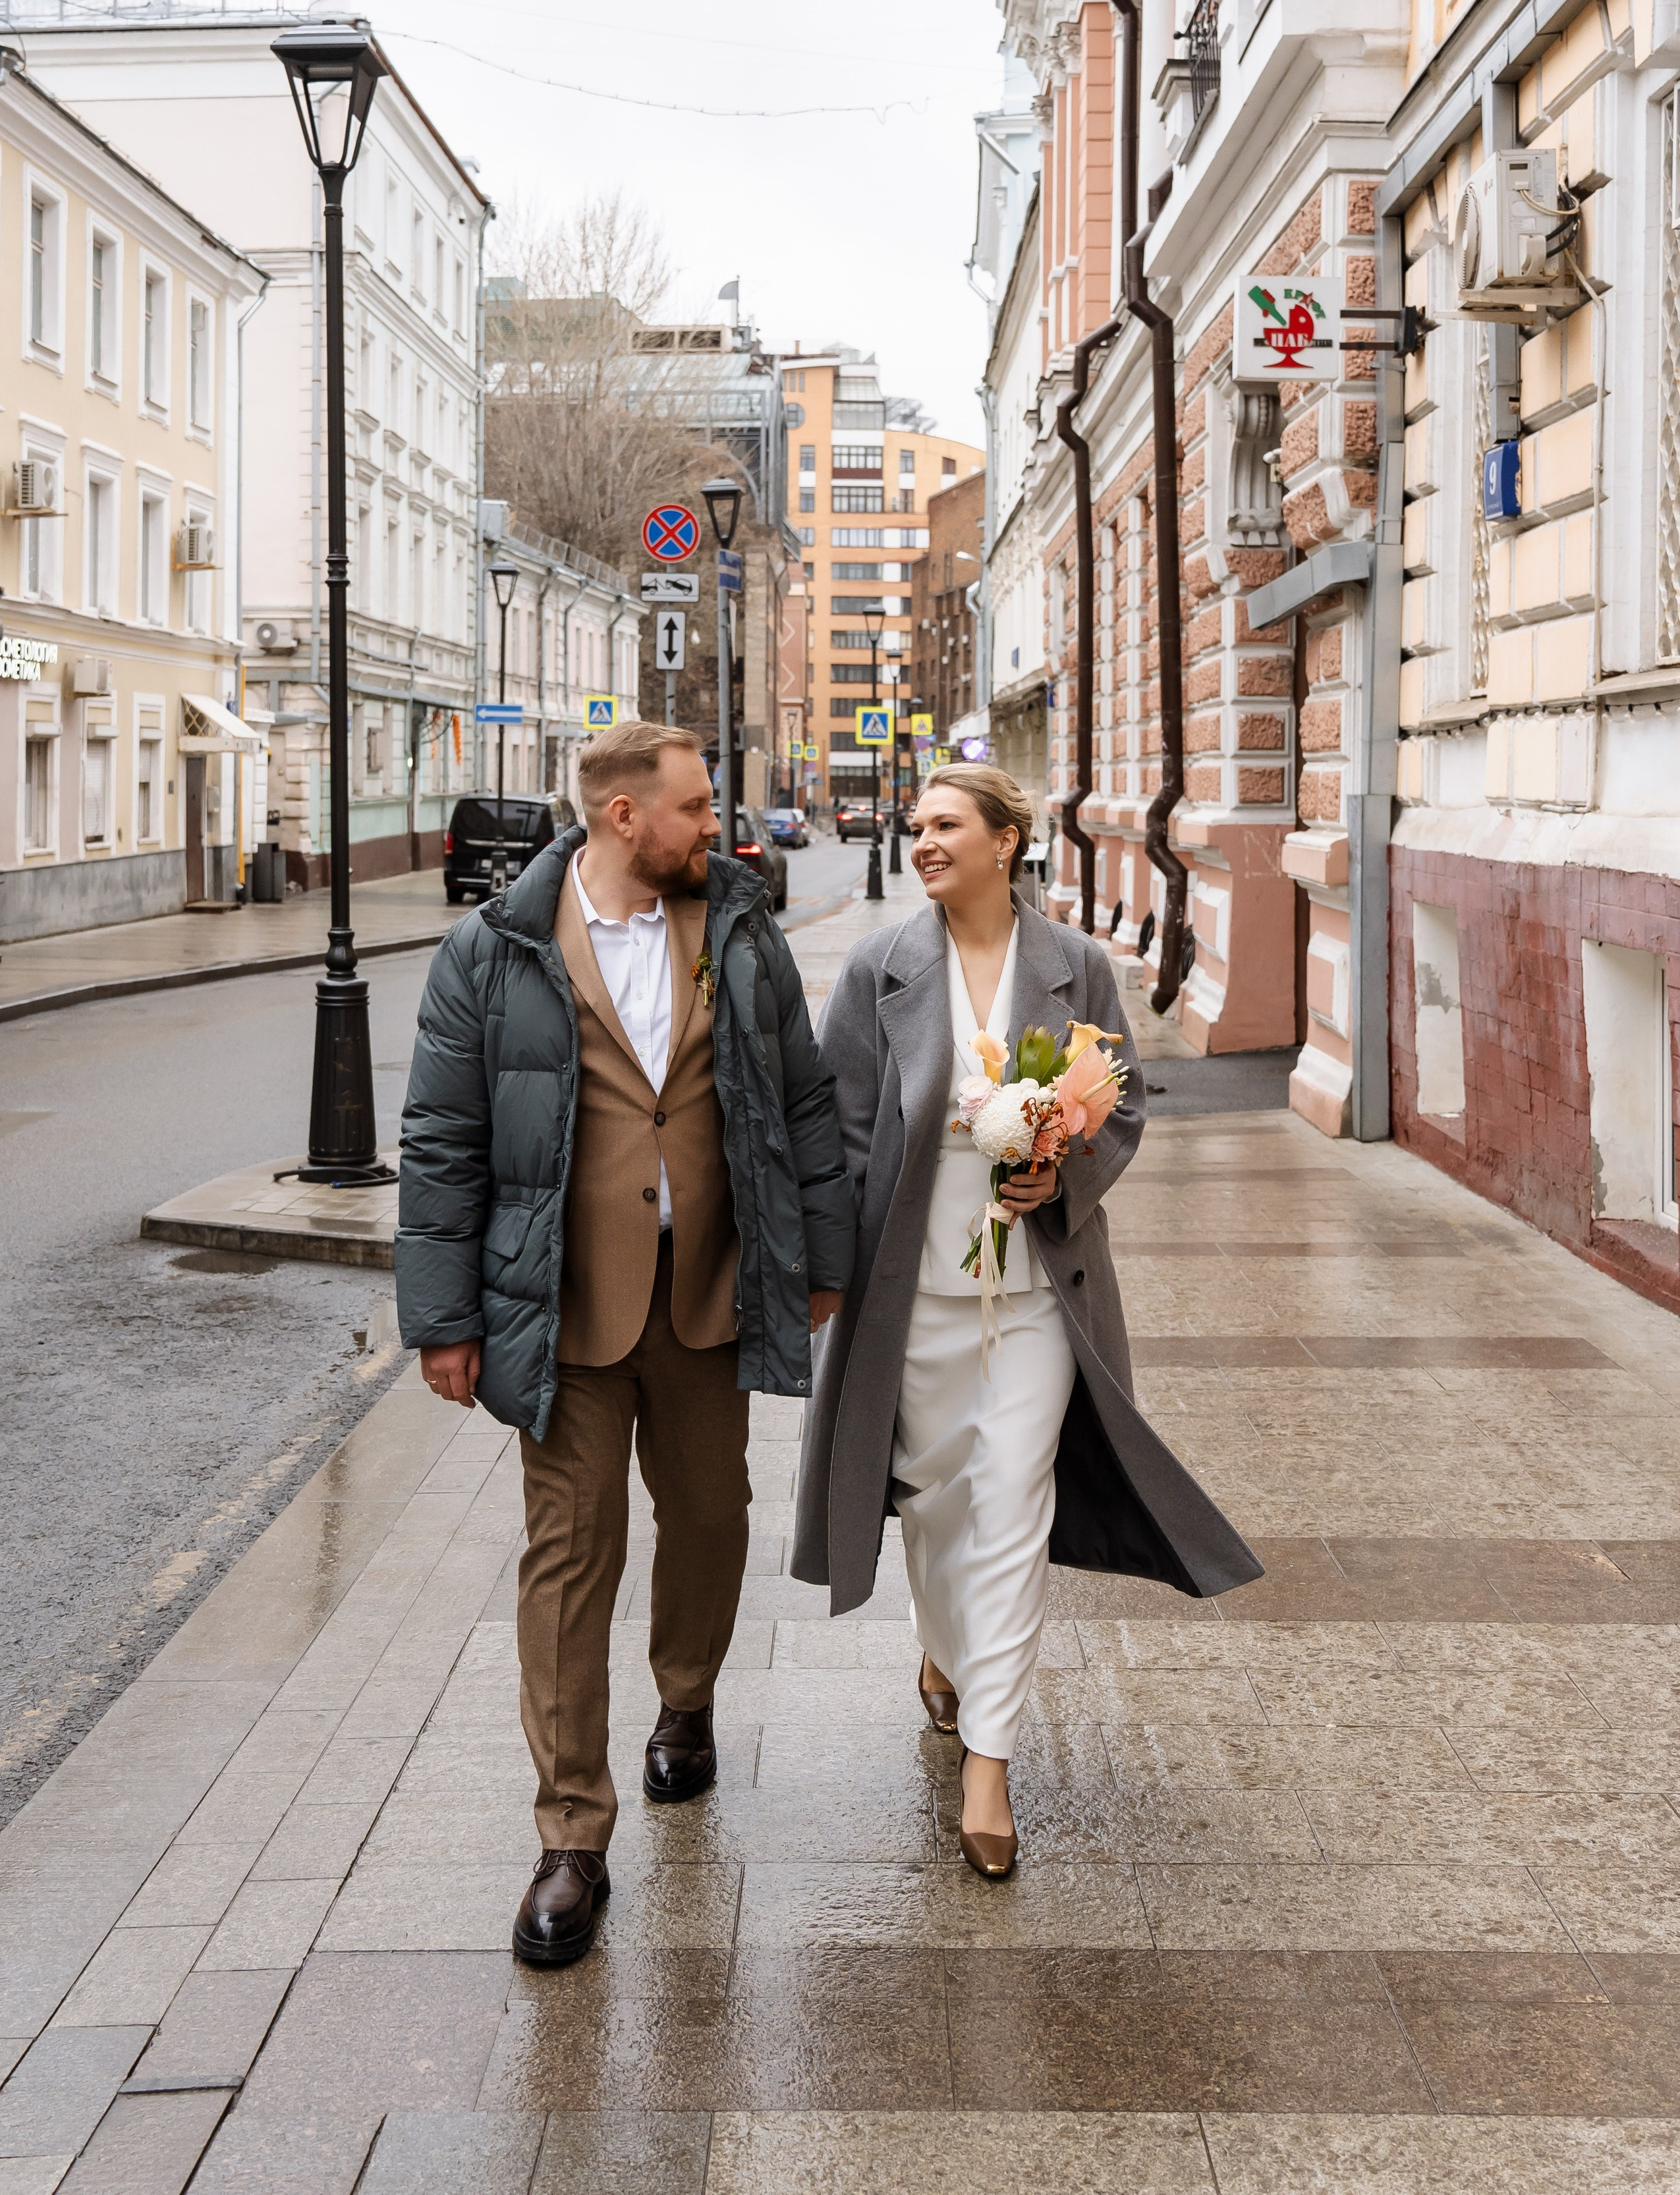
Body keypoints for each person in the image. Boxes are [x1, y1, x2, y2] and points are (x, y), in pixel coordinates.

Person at [397, 721, 853, 1966]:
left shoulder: (743, 934)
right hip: (564, 1307)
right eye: (696, 807)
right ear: (619, 818)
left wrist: (818, 1258)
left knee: (712, 1517)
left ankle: (687, 1699)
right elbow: (441, 1139)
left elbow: (802, 1099)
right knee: (569, 1555)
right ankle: (572, 1838)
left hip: (709, 1288)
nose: (715, 823)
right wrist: (443, 1318)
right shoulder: (491, 955)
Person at [791, 762, 1260, 1877]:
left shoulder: (1076, 965)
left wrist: (1062, 1172)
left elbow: (1123, 1100)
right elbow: (842, 1129)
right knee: (936, 1499)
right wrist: (837, 1268)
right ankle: (943, 1652)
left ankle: (990, 1764)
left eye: (946, 825)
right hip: (916, 1296)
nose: (924, 843)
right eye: (917, 827)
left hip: (1042, 1291)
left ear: (1008, 842)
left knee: (1010, 1498)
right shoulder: (880, 967)